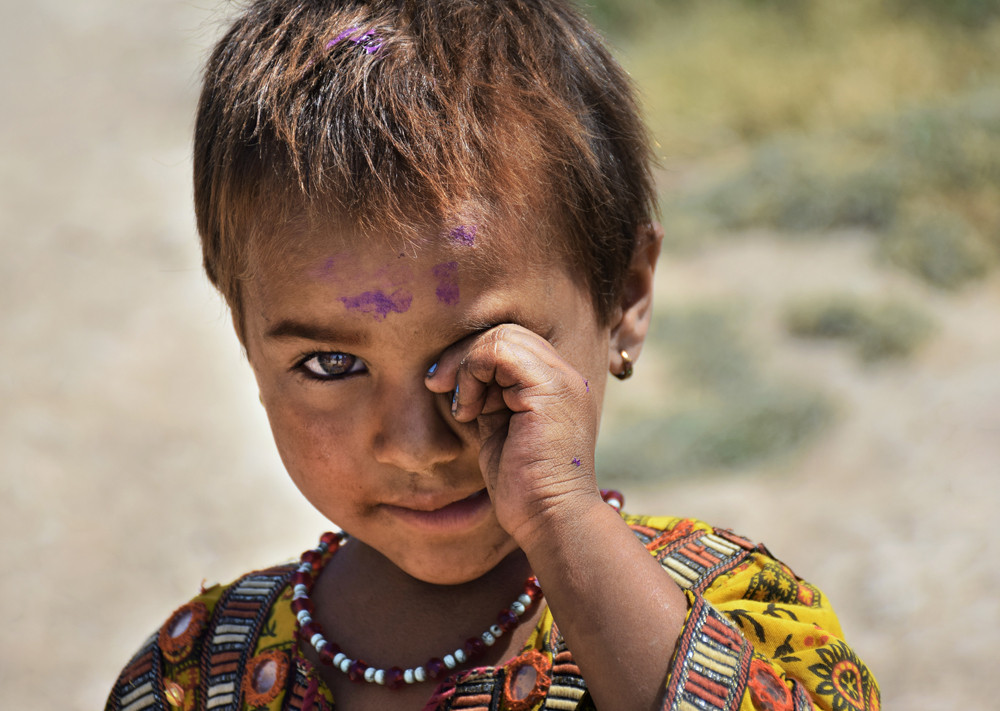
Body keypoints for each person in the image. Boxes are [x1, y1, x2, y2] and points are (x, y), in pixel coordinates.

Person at [106, 1, 879, 709]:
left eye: (481, 357)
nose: (416, 445)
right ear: (246, 337)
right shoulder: (193, 675)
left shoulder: (738, 611)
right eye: (331, 365)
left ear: (625, 295)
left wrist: (564, 519)